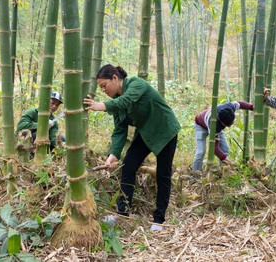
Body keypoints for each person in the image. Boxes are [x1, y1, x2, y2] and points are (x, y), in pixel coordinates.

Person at [83, 65, 181, 232]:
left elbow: (127, 100)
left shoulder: (136, 84)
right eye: (101, 88)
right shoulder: (116, 104)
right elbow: (120, 131)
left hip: (165, 130)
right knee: (128, 165)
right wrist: (113, 154)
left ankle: (159, 220)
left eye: (104, 86)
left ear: (115, 78)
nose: (103, 90)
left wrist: (101, 106)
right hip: (146, 133)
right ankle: (122, 214)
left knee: (163, 173)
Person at [192, 100, 254, 171]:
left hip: (214, 126)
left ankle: (223, 171)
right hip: (201, 126)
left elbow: (240, 103)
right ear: (221, 122)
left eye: (232, 122)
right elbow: (214, 148)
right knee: (201, 152)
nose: (231, 125)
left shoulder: (230, 107)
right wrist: (226, 160)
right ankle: (195, 173)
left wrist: (252, 107)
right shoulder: (215, 126)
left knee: (225, 149)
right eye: (228, 125)